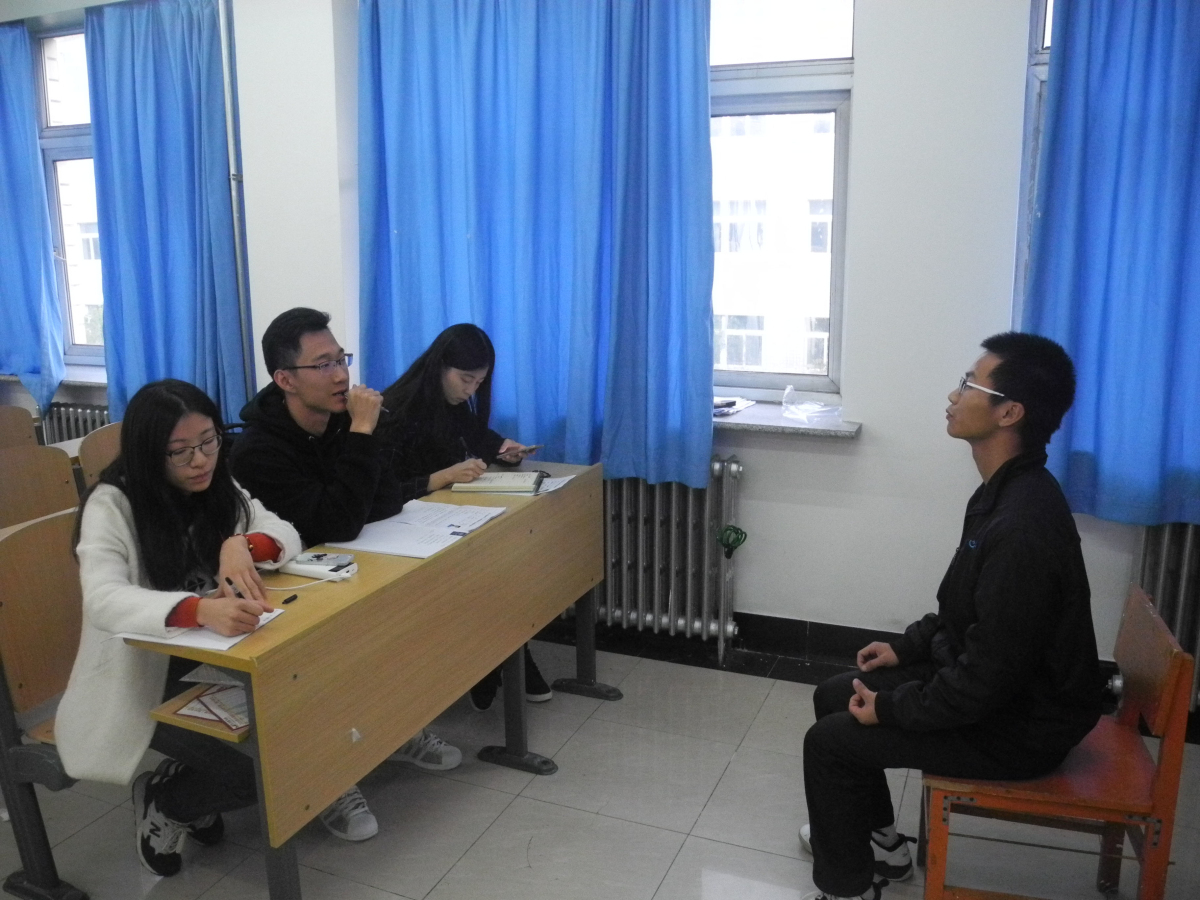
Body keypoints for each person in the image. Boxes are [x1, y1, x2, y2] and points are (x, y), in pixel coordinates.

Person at [798, 333, 1102, 900]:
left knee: (831, 742)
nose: (953, 395)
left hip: (1020, 728)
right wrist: (908, 648)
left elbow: (986, 682)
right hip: (995, 693)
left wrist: (892, 708)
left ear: (1009, 412)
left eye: (969, 384)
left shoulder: (1023, 526)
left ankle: (846, 889)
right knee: (835, 694)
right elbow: (961, 610)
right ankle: (882, 848)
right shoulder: (1003, 492)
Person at [229, 308, 464, 837]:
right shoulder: (258, 451)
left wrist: (361, 439)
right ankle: (325, 778)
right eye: (323, 365)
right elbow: (337, 522)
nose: (341, 375)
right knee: (335, 649)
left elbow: (383, 499)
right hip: (285, 589)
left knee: (406, 615)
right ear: (285, 379)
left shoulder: (338, 425)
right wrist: (362, 432)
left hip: (343, 567)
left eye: (342, 359)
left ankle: (394, 729)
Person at [56, 379, 303, 876]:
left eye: (209, 441)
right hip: (144, 674)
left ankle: (191, 787)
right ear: (149, 454)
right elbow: (103, 599)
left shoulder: (217, 484)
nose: (200, 460)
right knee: (257, 772)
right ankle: (168, 802)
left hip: (214, 656)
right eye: (180, 451)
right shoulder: (113, 504)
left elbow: (285, 531)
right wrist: (198, 610)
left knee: (293, 726)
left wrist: (242, 545)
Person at [380, 323, 552, 709]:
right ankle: (500, 661)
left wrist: (503, 448)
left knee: (507, 558)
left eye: (479, 382)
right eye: (465, 379)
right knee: (491, 573)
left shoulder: (451, 404)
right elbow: (383, 493)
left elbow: (474, 436)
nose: (470, 390)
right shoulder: (396, 410)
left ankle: (502, 659)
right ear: (440, 366)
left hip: (445, 519)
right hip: (404, 531)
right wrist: (442, 476)